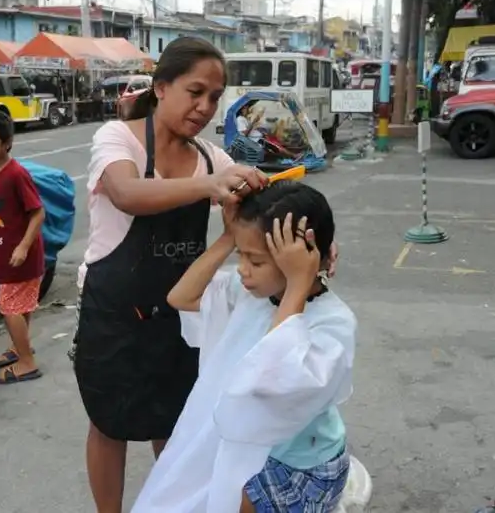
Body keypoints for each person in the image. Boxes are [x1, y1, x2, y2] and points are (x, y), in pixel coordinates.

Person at [72, 36, 269, 513]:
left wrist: (306, 230)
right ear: (161, 87)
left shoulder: (210, 158)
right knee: (108, 423)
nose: (205, 107)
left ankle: (170, 505)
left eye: (215, 98)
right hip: (114, 312)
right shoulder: (118, 138)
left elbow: (254, 212)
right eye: (195, 92)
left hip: (179, 315)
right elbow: (125, 192)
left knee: (174, 423)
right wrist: (210, 185)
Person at [133, 181, 355, 513]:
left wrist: (297, 284)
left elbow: (273, 382)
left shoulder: (332, 324)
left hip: (303, 466)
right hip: (254, 447)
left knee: (218, 501)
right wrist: (228, 237)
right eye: (242, 255)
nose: (242, 270)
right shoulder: (254, 294)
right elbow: (181, 297)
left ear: (303, 261)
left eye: (256, 261)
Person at [0, 111, 46, 385]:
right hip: (1, 253)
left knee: (7, 305)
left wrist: (24, 247)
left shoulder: (16, 174)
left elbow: (38, 213)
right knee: (20, 304)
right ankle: (19, 348)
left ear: (6, 143)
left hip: (21, 256)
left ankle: (27, 362)